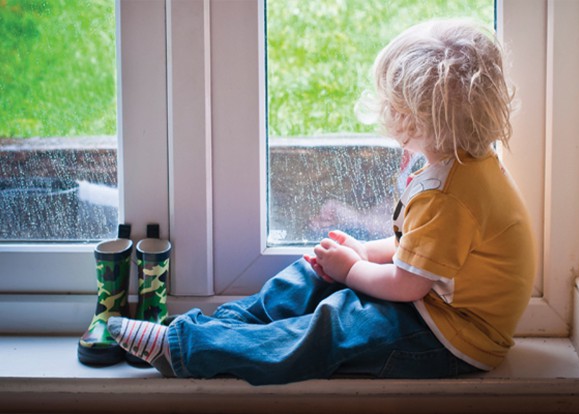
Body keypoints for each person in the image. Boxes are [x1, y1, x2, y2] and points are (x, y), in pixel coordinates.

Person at [107, 18, 536, 385]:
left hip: (454, 337)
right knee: (314, 273)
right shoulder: (462, 161)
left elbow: (408, 284)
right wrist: (363, 253)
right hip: (432, 304)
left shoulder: (450, 197)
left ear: (420, 121)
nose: (389, 118)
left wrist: (352, 269)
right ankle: (215, 330)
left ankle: (186, 350)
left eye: (397, 110)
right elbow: (420, 252)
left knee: (335, 324)